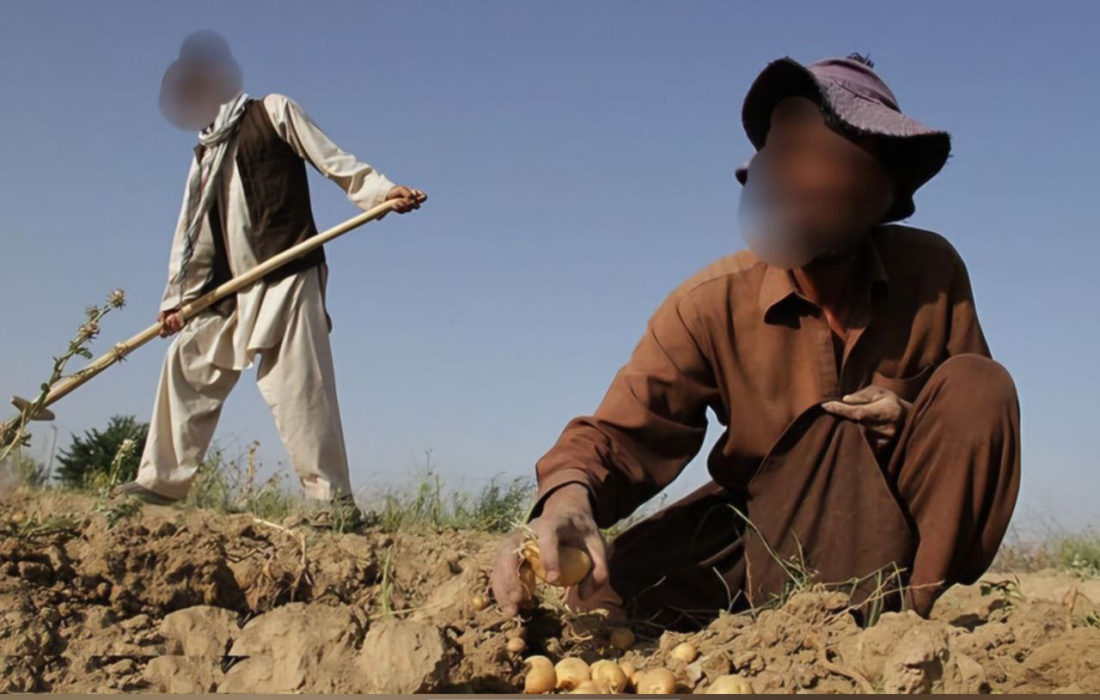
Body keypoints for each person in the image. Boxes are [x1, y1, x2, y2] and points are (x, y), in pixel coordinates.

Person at [491, 53, 1020, 629]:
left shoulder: (931, 274)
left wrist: (908, 420)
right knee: (617, 585)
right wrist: (569, 501)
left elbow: (969, 432)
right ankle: (793, 616)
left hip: (899, 538)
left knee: (979, 385)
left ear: (878, 195)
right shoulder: (710, 302)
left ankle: (908, 626)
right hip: (764, 530)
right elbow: (623, 434)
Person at [113, 30, 424, 528]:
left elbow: (332, 158)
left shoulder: (272, 111)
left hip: (285, 270)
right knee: (187, 364)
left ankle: (331, 504)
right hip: (227, 290)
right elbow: (192, 236)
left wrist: (381, 193)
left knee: (300, 385)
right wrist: (177, 299)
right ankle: (159, 482)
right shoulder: (203, 156)